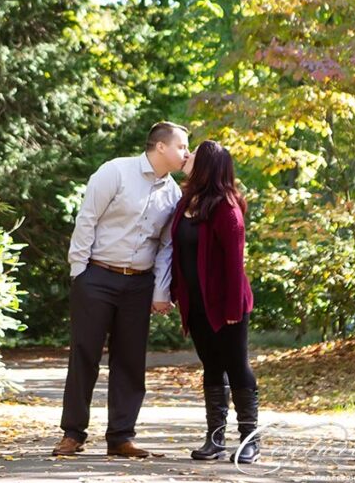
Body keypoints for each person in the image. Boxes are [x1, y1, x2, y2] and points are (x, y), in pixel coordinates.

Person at [52, 122, 190, 458]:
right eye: (182, 146)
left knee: (130, 360)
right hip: (97, 275)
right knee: (84, 354)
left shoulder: (173, 194)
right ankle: (73, 433)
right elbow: (87, 219)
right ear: (160, 147)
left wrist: (159, 291)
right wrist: (79, 272)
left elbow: (165, 248)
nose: (186, 153)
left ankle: (121, 437)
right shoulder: (115, 172)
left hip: (138, 283)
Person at [170, 140, 260, 464]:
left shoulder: (226, 207)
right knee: (211, 367)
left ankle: (250, 439)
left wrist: (234, 308)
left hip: (228, 304)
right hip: (196, 304)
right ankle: (214, 439)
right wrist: (173, 292)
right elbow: (178, 252)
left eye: (193, 153)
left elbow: (235, 263)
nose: (187, 155)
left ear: (206, 165)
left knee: (237, 367)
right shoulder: (186, 202)